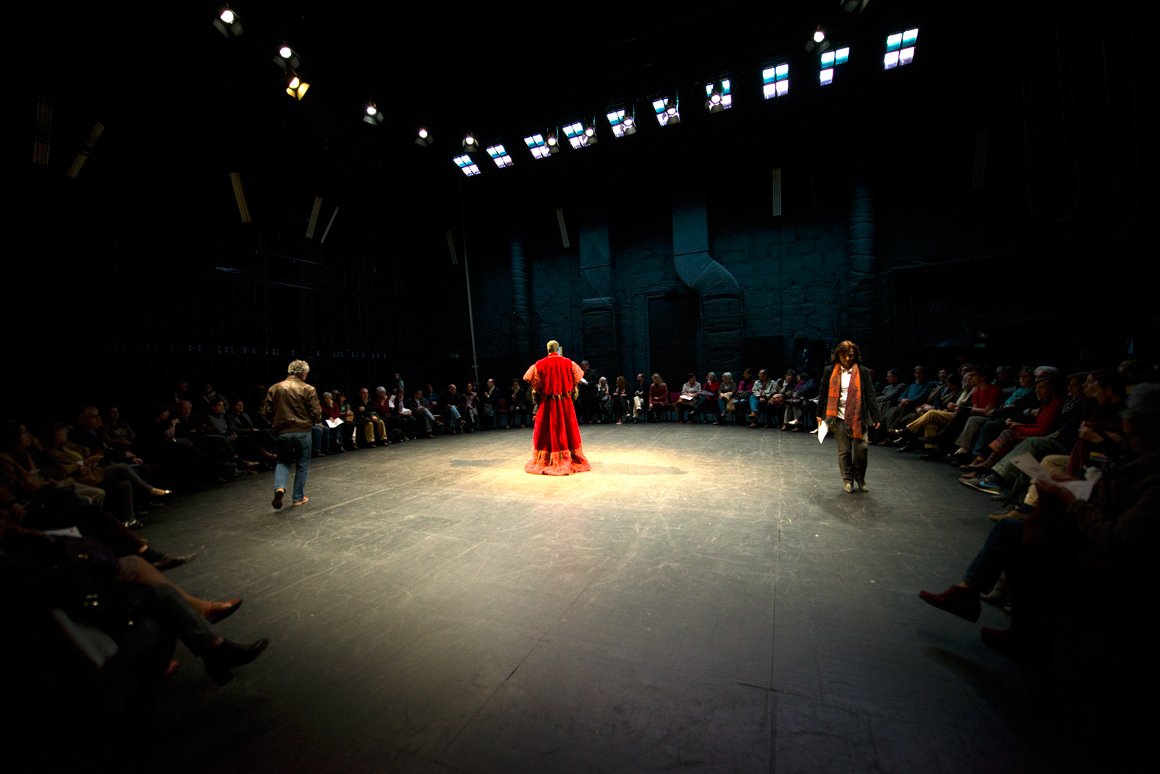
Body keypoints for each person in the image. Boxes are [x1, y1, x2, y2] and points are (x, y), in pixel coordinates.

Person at [817, 340, 883, 493]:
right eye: (844, 355)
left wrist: (876, 416)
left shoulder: (863, 371)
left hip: (858, 417)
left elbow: (870, 395)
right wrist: (819, 414)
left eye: (851, 355)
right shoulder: (829, 371)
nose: (847, 359)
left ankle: (860, 478)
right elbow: (823, 393)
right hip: (839, 416)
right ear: (838, 355)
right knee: (844, 451)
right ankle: (847, 480)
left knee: (861, 450)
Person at [522, 340, 590, 475]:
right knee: (568, 429)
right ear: (558, 349)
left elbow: (532, 382)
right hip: (565, 404)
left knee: (547, 430)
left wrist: (544, 391)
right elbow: (577, 379)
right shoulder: (569, 363)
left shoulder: (539, 364)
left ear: (548, 349)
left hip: (548, 404)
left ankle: (548, 458)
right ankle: (570, 456)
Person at [262, 359, 322, 509]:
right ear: (303, 373)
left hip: (282, 431)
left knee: (283, 461)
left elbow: (267, 411)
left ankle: (279, 488)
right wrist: (312, 421)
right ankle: (298, 497)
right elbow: (316, 413)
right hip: (302, 431)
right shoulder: (308, 389)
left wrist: (276, 422)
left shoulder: (275, 388)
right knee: (302, 464)